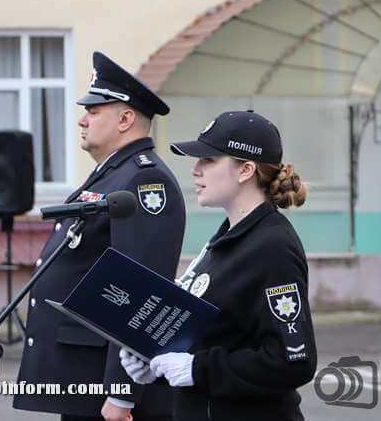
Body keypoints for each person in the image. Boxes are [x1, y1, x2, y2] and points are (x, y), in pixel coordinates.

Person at [13, 51, 186, 421]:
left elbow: (143, 290)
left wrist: (121, 392)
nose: (81, 120)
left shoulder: (144, 180)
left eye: (93, 112)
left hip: (106, 384)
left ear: (125, 119)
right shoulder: (112, 175)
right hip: (82, 374)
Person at [119, 110, 317, 421]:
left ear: (245, 170)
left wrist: (197, 369)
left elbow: (293, 360)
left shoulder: (271, 246)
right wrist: (155, 362)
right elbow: (219, 335)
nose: (195, 170)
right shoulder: (228, 237)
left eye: (209, 160)